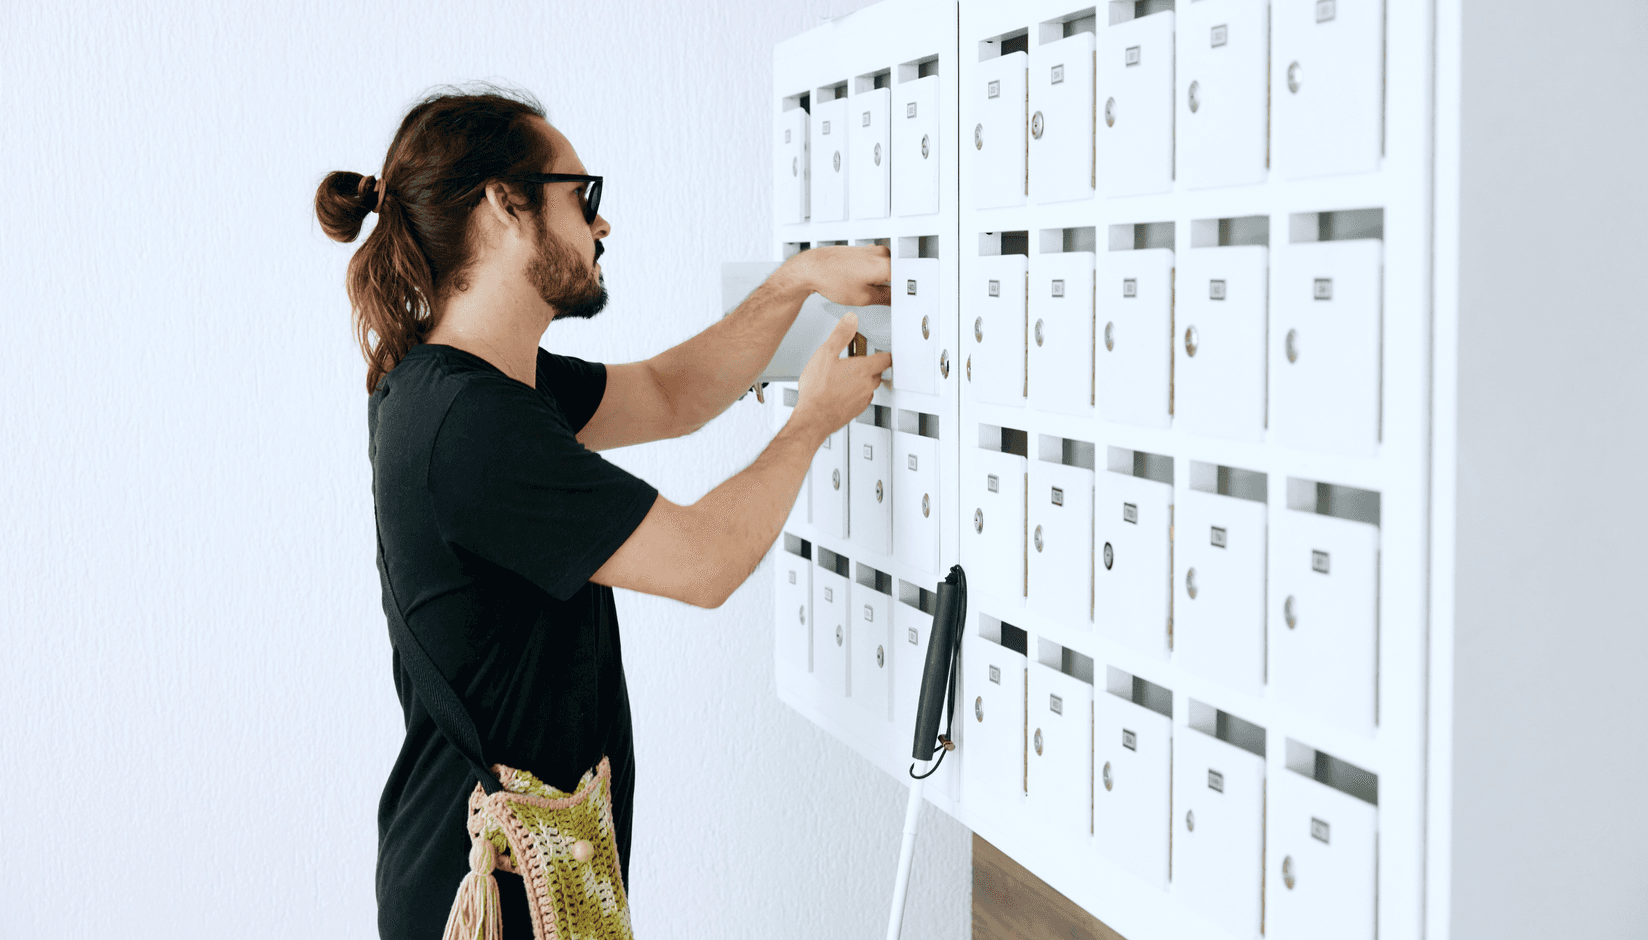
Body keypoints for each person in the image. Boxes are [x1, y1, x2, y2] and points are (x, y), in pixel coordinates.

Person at [314, 85, 891, 939]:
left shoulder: (477, 383)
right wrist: (811, 422)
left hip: (510, 875)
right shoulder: (471, 426)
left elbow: (667, 395)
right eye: (583, 197)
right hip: (492, 900)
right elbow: (703, 563)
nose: (602, 226)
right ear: (505, 207)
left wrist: (797, 283)